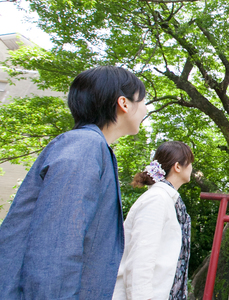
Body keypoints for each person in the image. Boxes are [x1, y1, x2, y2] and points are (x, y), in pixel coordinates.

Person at [0, 66, 148, 299]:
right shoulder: (85, 146)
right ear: (124, 104)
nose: (146, 109)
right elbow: (56, 247)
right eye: (143, 101)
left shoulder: (91, 147)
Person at [113, 141, 194, 300]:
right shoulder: (157, 200)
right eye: (190, 163)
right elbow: (141, 258)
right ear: (177, 167)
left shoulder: (167, 201)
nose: (192, 167)